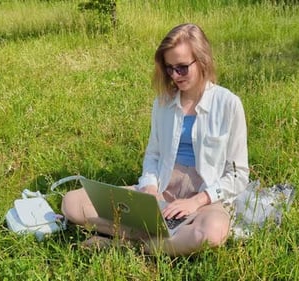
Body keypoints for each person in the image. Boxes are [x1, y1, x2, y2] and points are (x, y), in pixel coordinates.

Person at [61, 23, 249, 256]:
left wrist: (197, 202)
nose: (174, 76)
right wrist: (150, 188)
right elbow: (154, 154)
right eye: (169, 68)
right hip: (163, 189)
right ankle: (163, 240)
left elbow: (239, 175)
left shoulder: (229, 104)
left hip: (204, 197)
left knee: (212, 233)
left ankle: (131, 245)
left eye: (182, 68)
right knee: (72, 204)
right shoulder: (163, 103)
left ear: (202, 61)